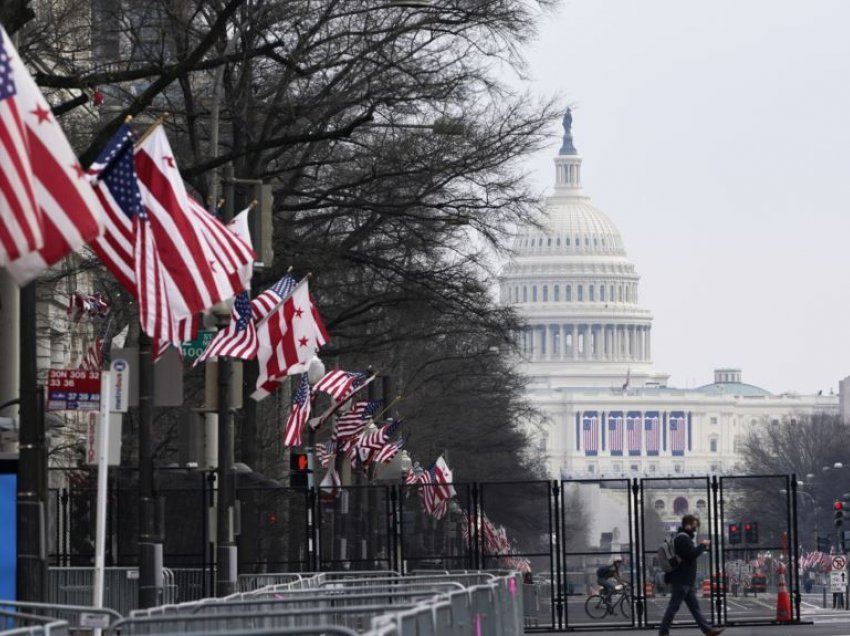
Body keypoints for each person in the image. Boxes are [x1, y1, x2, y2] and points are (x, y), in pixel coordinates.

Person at [658, 515, 724, 636]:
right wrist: (703, 545)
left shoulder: (684, 538)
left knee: (694, 608)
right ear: (687, 525)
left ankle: (708, 630)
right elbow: (691, 555)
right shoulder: (682, 539)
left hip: (686, 580)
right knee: (673, 607)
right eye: (694, 525)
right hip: (681, 579)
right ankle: (663, 632)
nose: (695, 528)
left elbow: (689, 555)